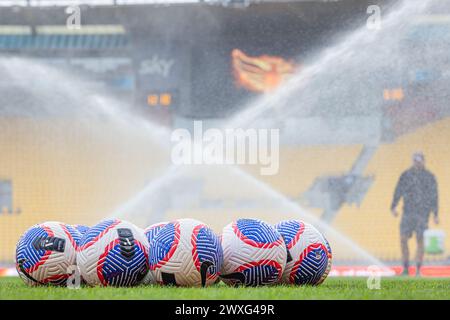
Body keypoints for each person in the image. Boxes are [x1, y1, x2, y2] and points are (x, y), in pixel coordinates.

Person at [391, 152, 439, 276]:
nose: (418, 163)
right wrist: (393, 206)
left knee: (420, 240)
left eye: (420, 161)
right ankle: (406, 268)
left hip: (423, 213)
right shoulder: (406, 175)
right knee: (403, 239)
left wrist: (435, 214)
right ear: (413, 161)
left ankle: (418, 269)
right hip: (408, 211)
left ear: (424, 161)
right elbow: (398, 190)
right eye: (415, 161)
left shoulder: (430, 177)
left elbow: (434, 196)